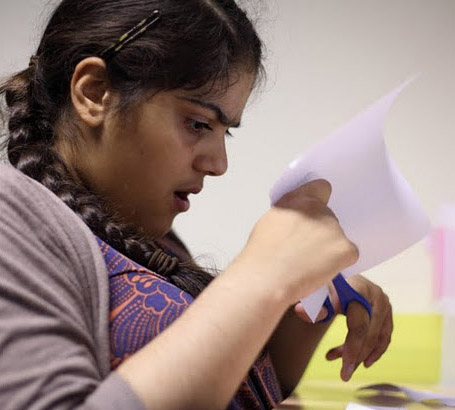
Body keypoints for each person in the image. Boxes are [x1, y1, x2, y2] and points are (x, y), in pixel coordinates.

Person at [0, 0, 393, 409]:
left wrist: (307, 299)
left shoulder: (152, 237)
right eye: (199, 124)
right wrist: (261, 278)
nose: (218, 164)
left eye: (226, 133)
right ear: (94, 92)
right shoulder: (9, 218)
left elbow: (229, 389)